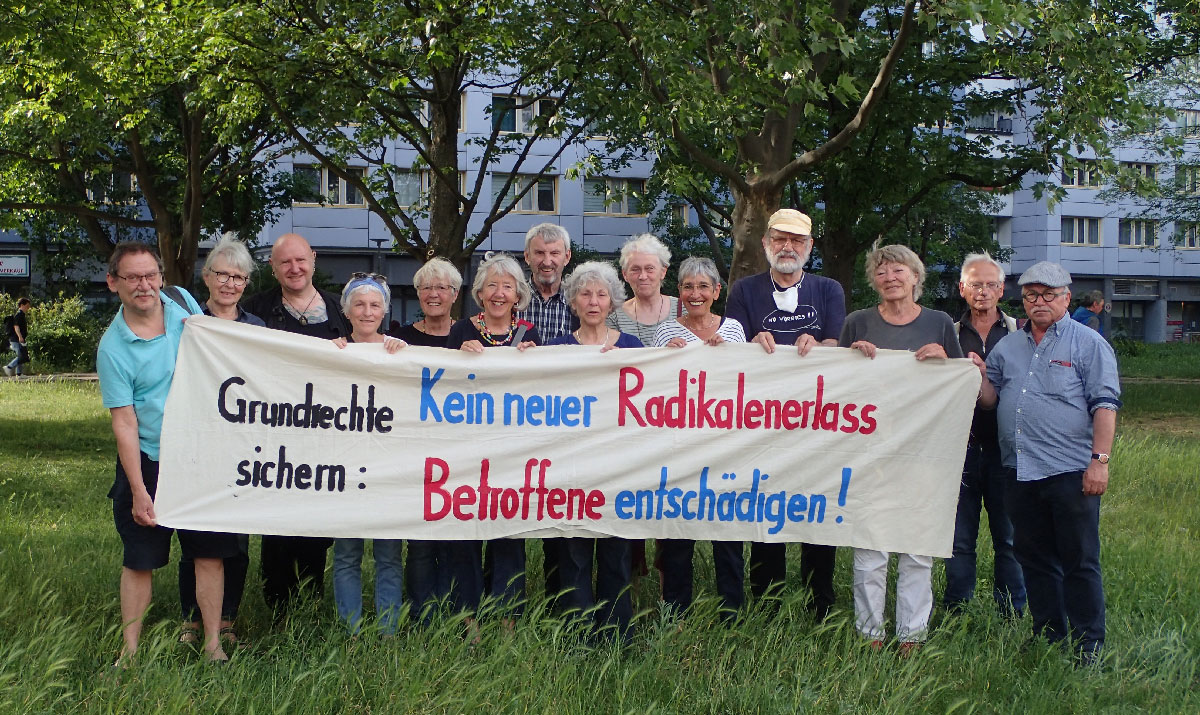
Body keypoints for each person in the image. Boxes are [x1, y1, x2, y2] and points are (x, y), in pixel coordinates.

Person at [96, 241, 238, 665]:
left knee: (209, 554)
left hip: (200, 457)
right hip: (150, 461)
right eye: (132, 278)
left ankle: (212, 644)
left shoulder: (183, 305)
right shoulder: (112, 349)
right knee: (140, 560)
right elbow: (124, 423)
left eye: (150, 275)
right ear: (112, 283)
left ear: (162, 277)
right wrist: (139, 490)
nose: (144, 285)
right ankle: (131, 653)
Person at [975, 261, 1120, 666]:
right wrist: (977, 376)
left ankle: (1088, 646)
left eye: (1049, 295)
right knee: (1034, 560)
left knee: (1079, 561)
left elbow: (1105, 406)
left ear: (1066, 298)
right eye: (1032, 295)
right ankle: (1048, 635)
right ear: (1022, 299)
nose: (1040, 302)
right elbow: (990, 400)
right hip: (1019, 472)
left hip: (1071, 472)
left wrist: (1100, 462)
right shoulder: (1009, 346)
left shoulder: (1089, 344)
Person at [839, 243, 963, 655]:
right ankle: (870, 633)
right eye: (881, 271)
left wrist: (944, 359)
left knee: (916, 547)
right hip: (869, 452)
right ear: (873, 280)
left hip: (924, 453)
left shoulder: (941, 323)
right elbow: (837, 389)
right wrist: (852, 360)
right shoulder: (857, 322)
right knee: (870, 546)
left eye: (899, 271)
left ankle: (911, 635)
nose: (890, 278)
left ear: (916, 277)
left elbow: (961, 385)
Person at [724, 208, 846, 617]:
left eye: (796, 240)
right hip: (762, 421)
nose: (787, 247)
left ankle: (820, 604)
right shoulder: (743, 290)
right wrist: (751, 342)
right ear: (765, 245)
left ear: (809, 247)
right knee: (766, 505)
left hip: (816, 421)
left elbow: (838, 347)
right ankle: (768, 602)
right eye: (779, 239)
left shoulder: (829, 289)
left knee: (816, 507)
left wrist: (824, 347)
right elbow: (731, 349)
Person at [243, 233, 351, 617]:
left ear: (314, 259)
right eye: (285, 263)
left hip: (328, 435)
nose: (294, 268)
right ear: (273, 268)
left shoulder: (342, 311)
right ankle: (277, 605)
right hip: (275, 436)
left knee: (317, 525)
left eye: (300, 260)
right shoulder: (255, 310)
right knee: (278, 524)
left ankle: (311, 599)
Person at [545, 261, 641, 640]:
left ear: (613, 300)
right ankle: (578, 632)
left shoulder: (633, 347)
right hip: (572, 467)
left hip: (619, 465)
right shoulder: (555, 349)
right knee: (574, 552)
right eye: (585, 293)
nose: (594, 301)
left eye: (601, 294)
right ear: (573, 300)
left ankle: (618, 633)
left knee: (617, 552)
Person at [177, 237, 265, 649]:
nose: (229, 283)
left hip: (244, 447)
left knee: (237, 540)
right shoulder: (185, 324)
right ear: (206, 276)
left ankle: (227, 620)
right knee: (194, 533)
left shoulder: (258, 329)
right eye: (221, 274)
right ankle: (191, 621)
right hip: (197, 442)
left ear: (246, 282)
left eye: (238, 276)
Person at [446, 253, 541, 618]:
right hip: (469, 449)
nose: (499, 293)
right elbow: (443, 387)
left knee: (509, 534)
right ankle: (469, 616)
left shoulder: (530, 334)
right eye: (492, 286)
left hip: (513, 452)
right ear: (480, 293)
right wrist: (459, 356)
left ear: (518, 295)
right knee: (468, 532)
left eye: (507, 286)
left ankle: (507, 616)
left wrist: (536, 359)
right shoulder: (461, 331)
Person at [654, 257, 747, 619]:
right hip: (679, 448)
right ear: (679, 292)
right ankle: (675, 612)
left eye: (703, 287)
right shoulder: (665, 333)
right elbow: (655, 389)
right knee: (678, 532)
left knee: (727, 533)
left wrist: (730, 356)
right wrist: (666, 358)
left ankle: (731, 612)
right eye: (688, 287)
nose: (696, 294)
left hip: (725, 447)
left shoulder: (735, 330)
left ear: (716, 292)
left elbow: (748, 384)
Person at [942, 253, 1025, 616]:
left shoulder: (1020, 332)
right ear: (962, 288)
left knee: (1009, 538)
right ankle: (957, 609)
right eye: (976, 284)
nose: (983, 291)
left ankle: (1011, 611)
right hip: (957, 450)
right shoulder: (947, 332)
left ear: (1002, 289)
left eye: (991, 284)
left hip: (1007, 451)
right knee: (959, 539)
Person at [330, 274, 407, 634]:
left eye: (374, 305)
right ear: (347, 310)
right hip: (345, 469)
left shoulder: (399, 351)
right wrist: (328, 356)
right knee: (346, 555)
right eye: (359, 304)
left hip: (388, 468)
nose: (367, 311)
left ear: (384, 310)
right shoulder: (333, 351)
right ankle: (352, 630)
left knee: (389, 556)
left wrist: (402, 355)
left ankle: (388, 630)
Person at [388, 257, 463, 621]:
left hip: (460, 452)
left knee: (453, 539)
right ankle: (420, 613)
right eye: (426, 288)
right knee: (418, 542)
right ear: (418, 294)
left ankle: (451, 611)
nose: (434, 295)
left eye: (442, 288)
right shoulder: (401, 339)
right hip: (415, 452)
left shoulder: (468, 335)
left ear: (455, 294)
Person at [515, 223, 577, 602]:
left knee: (563, 508)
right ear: (528, 257)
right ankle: (508, 601)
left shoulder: (582, 296)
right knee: (512, 508)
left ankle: (562, 599)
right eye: (539, 253)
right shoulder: (510, 296)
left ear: (567, 257)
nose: (547, 261)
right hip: (520, 417)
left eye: (555, 253)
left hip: (571, 420)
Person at [606, 233, 678, 345]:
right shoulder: (614, 317)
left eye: (650, 269)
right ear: (625, 275)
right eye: (635, 269)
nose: (643, 276)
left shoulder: (683, 309)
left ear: (663, 272)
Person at [4, 297, 31, 377]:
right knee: (21, 356)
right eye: (27, 306)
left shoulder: (21, 314)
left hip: (18, 338)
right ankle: (9, 367)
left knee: (21, 355)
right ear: (22, 305)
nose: (28, 308)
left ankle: (19, 374)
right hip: (16, 339)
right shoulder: (19, 315)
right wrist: (20, 337)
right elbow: (16, 327)